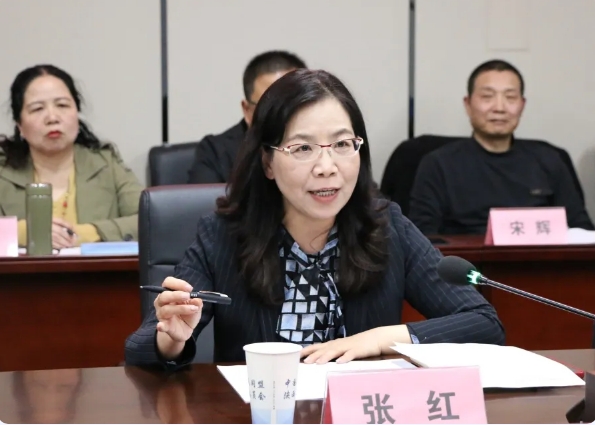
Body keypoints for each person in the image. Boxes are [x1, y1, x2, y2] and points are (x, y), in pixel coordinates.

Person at [125, 69, 504, 369]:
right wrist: (171, 340)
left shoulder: (387, 227)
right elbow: (139, 350)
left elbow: (483, 323)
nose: (327, 167)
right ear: (267, 162)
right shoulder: (222, 235)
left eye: (342, 144)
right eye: (303, 148)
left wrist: (379, 339)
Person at [409, 59, 594, 235]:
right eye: (487, 97)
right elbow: (421, 239)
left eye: (510, 97)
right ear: (468, 104)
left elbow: (582, 232)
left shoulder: (549, 160)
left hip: (539, 258)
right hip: (466, 259)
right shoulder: (438, 164)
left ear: (522, 105)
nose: (499, 108)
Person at [0, 64, 143, 249]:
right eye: (37, 109)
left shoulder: (105, 163)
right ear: (19, 124)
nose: (52, 118)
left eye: (62, 105)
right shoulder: (3, 170)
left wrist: (92, 233)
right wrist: (19, 232)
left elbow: (152, 220)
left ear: (77, 112)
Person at [187, 50, 307, 184]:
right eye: (268, 106)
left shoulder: (323, 146)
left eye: (293, 103)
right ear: (247, 111)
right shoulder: (216, 152)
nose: (283, 115)